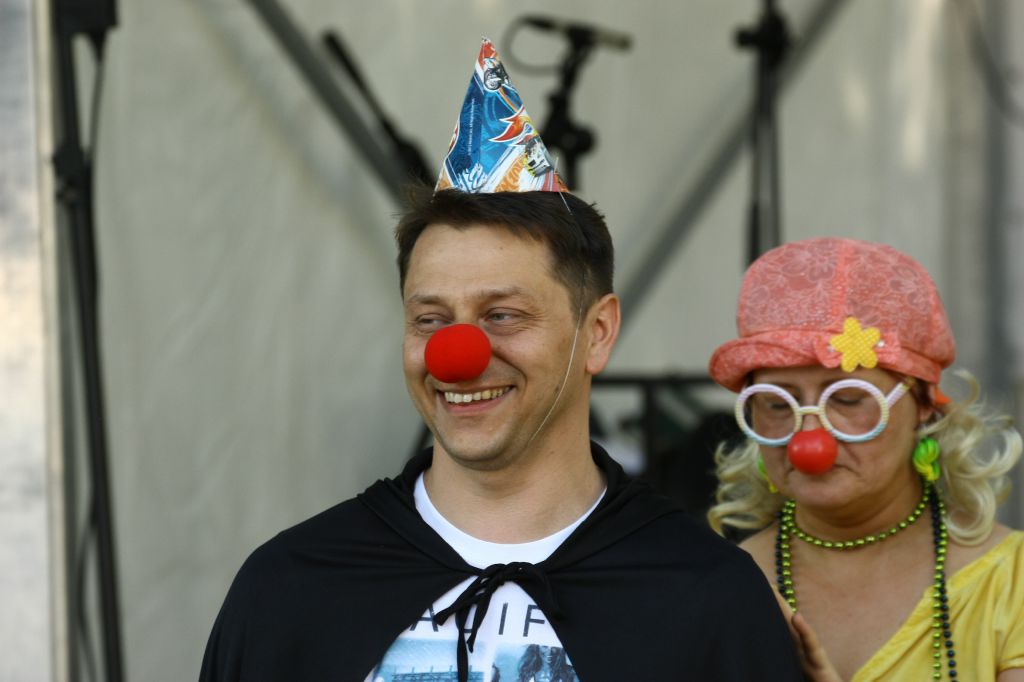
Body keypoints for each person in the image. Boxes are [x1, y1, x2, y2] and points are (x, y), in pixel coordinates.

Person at [200, 38, 801, 682]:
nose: (457, 356)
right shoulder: (292, 588)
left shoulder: (705, 596)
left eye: (502, 315)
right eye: (430, 320)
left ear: (597, 332)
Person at [706, 236, 1024, 681]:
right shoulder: (717, 586)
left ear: (924, 404)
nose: (809, 437)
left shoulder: (1011, 583)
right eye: (778, 403)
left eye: (848, 399)